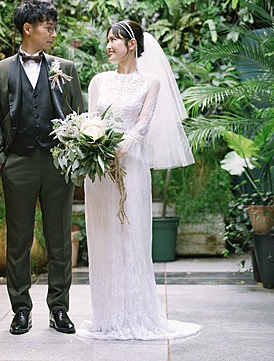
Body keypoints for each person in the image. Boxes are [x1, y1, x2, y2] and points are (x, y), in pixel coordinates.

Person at [80, 20, 200, 340]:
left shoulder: (150, 82)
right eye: (107, 40)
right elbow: (91, 120)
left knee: (131, 235)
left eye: (114, 40)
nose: (108, 46)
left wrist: (122, 149)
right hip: (100, 171)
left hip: (131, 166)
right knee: (104, 236)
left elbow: (142, 124)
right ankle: (107, 317)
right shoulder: (98, 81)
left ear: (131, 44)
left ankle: (136, 314)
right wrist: (93, 146)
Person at [0, 0, 84, 335]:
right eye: (48, 27)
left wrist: (74, 159)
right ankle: (21, 310)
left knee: (59, 240)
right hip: (18, 164)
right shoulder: (0, 72)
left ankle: (59, 309)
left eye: (54, 27)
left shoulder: (65, 69)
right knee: (19, 242)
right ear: (28, 29)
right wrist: (1, 162)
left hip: (58, 164)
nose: (53, 33)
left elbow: (78, 116)